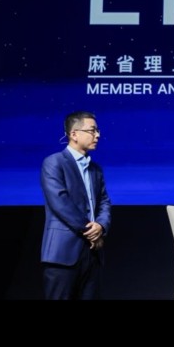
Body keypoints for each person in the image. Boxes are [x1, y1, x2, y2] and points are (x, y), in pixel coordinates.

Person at [40, 111, 112, 300]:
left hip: (93, 253)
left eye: (98, 131)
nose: (97, 135)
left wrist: (101, 226)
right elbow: (60, 202)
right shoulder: (54, 162)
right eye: (92, 130)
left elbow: (104, 201)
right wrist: (90, 230)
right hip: (62, 253)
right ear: (74, 134)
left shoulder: (96, 169)